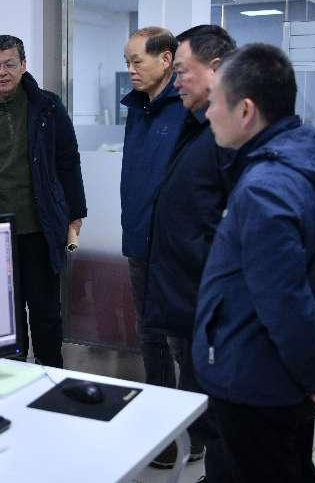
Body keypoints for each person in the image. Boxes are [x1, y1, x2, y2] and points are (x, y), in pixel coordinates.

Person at [194, 43, 315, 482]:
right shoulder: (309, 161)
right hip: (279, 380)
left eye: (214, 102)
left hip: (255, 383)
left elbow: (285, 302)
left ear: (245, 111)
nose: (208, 113)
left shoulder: (265, 188)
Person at [0, 34, 86, 368]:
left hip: (40, 227)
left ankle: (52, 375)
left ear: (23, 65)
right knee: (5, 316)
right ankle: (14, 377)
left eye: (10, 64)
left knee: (45, 312)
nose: (2, 72)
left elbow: (68, 161)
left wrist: (75, 213)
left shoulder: (48, 107)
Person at [142, 25, 236, 475]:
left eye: (182, 71)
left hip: (208, 294)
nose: (175, 80)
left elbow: (234, 226)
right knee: (197, 382)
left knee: (214, 395)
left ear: (215, 69)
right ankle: (200, 448)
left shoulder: (229, 134)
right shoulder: (197, 125)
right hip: (186, 287)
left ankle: (206, 451)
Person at [119, 27, 187, 390]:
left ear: (165, 59)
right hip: (138, 240)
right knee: (148, 333)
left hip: (173, 248)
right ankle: (158, 406)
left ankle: (194, 418)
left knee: (180, 340)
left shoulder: (188, 107)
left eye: (137, 61)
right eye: (127, 62)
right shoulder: (137, 107)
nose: (131, 70)